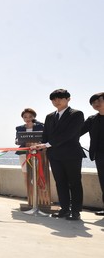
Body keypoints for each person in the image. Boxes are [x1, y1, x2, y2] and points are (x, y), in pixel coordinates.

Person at [35, 89, 85, 220]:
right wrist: (39, 145)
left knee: (74, 182)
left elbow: (70, 134)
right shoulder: (50, 117)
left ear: (68, 99)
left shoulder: (76, 114)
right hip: (54, 155)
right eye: (53, 99)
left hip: (71, 154)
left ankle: (76, 211)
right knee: (60, 183)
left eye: (60, 98)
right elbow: (45, 136)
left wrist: (47, 144)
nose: (56, 101)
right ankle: (64, 209)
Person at [82, 92, 104, 216]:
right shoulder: (92, 119)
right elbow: (77, 132)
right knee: (103, 181)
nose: (96, 104)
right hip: (100, 155)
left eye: (98, 101)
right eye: (93, 102)